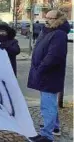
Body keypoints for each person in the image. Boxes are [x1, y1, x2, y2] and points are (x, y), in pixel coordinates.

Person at [28, 10, 70, 142]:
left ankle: (47, 135)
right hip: (45, 74)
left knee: (47, 105)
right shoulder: (49, 31)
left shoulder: (59, 34)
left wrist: (41, 68)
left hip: (49, 75)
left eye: (50, 18)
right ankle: (55, 127)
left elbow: (54, 56)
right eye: (46, 17)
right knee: (49, 103)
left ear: (58, 19)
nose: (46, 20)